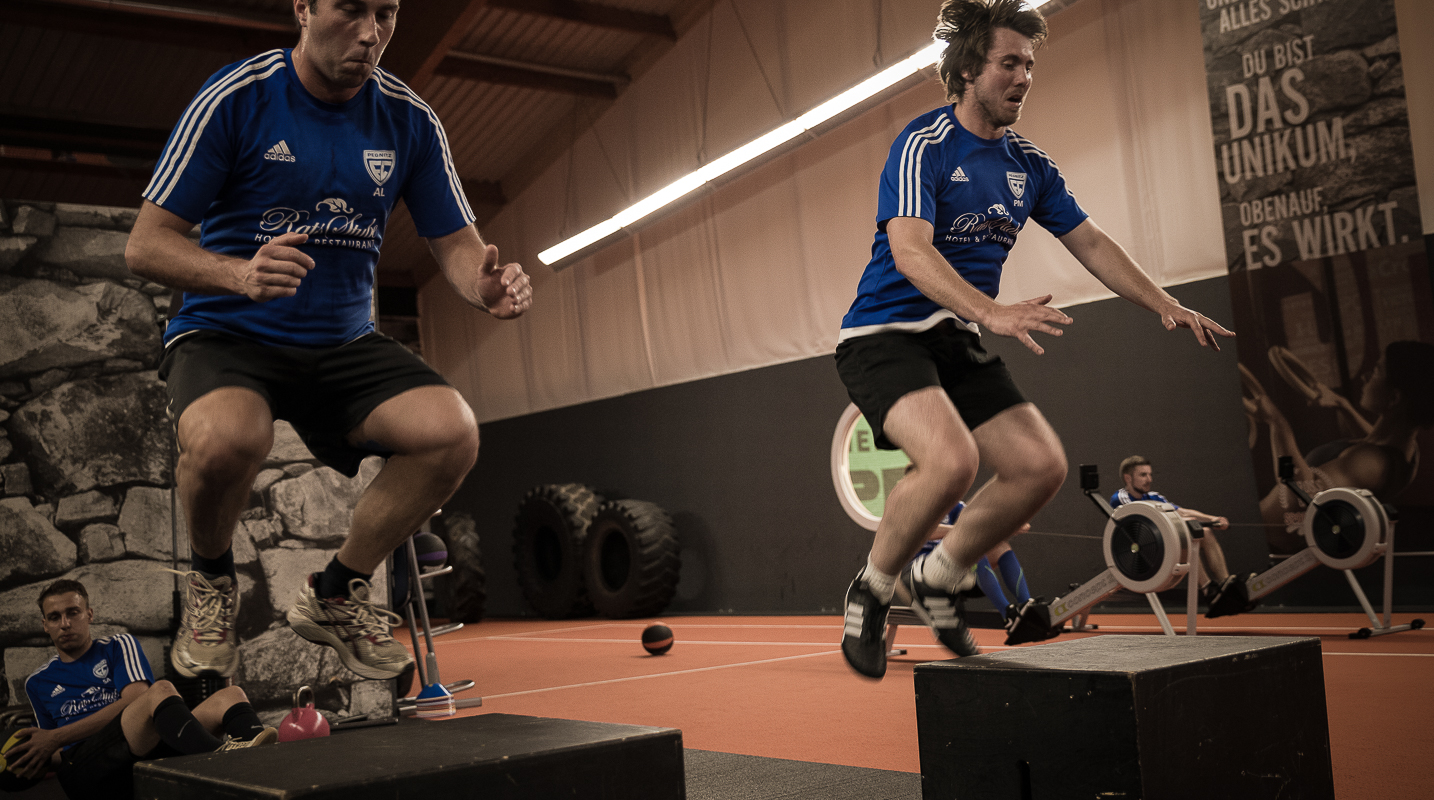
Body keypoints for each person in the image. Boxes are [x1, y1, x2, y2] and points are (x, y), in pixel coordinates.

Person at [123, 0, 532, 682]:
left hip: (341, 343)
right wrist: (238, 274)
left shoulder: (409, 118)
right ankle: (212, 585)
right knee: (230, 437)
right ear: (304, 9)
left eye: (388, 13)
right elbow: (145, 246)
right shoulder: (237, 98)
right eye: (350, 10)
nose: (372, 33)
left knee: (451, 432)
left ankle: (338, 593)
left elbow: (458, 246)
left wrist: (482, 288)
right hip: (228, 331)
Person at [833, 0, 1233, 679]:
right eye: (1009, 63)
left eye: (1030, 66)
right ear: (968, 69)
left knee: (1040, 467)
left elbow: (1092, 241)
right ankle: (871, 592)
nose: (1023, 77)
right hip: (885, 333)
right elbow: (909, 251)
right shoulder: (924, 144)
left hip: (955, 336)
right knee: (952, 461)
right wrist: (989, 311)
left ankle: (943, 573)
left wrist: (1161, 299)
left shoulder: (1028, 164)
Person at [9, 581, 275, 800]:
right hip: (86, 770)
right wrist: (35, 760)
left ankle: (268, 770)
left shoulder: (117, 647)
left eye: (73, 612)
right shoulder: (38, 682)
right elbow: (53, 749)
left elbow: (136, 699)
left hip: (141, 748)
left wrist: (55, 737)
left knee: (231, 696)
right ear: (45, 625)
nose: (65, 623)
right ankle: (223, 762)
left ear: (89, 614)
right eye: (55, 617)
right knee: (160, 691)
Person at [1248, 341, 1434, 553]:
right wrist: (1342, 405)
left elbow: (1297, 492)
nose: (1365, 376)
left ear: (1393, 398)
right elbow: (1373, 438)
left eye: (1376, 371)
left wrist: (1277, 425)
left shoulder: (1371, 463)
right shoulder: (1404, 449)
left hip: (1262, 545)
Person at [1109, 455, 1242, 615]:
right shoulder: (1120, 498)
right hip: (1141, 551)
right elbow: (1144, 520)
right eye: (1143, 475)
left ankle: (1225, 584)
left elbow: (1182, 511)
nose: (1149, 479)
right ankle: (1208, 589)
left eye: (1150, 474)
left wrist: (1213, 519)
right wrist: (1184, 520)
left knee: (1205, 531)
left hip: (1163, 543)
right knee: (1189, 531)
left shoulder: (1154, 496)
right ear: (1128, 478)